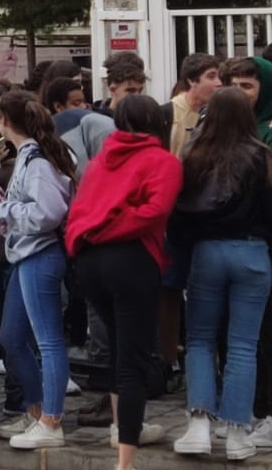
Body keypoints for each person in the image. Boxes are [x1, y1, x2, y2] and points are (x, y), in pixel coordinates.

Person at [66, 94, 180, 469]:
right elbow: (155, 211)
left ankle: (121, 429)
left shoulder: (99, 162)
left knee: (117, 353)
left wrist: (92, 235)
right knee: (134, 360)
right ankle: (125, 461)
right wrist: (115, 227)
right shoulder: (162, 161)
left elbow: (79, 211)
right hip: (131, 260)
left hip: (89, 261)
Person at [169, 88, 272, 460]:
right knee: (244, 344)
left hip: (207, 251)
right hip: (251, 252)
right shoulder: (261, 154)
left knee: (199, 339)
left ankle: (199, 424)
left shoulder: (194, 154)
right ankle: (237, 432)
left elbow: (179, 214)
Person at [0, 90, 78, 450]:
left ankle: (51, 420)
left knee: (47, 340)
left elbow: (46, 214)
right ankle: (38, 410)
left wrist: (4, 212)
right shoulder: (33, 156)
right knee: (12, 339)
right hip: (28, 255)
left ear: (3, 121)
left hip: (40, 254)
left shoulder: (37, 161)